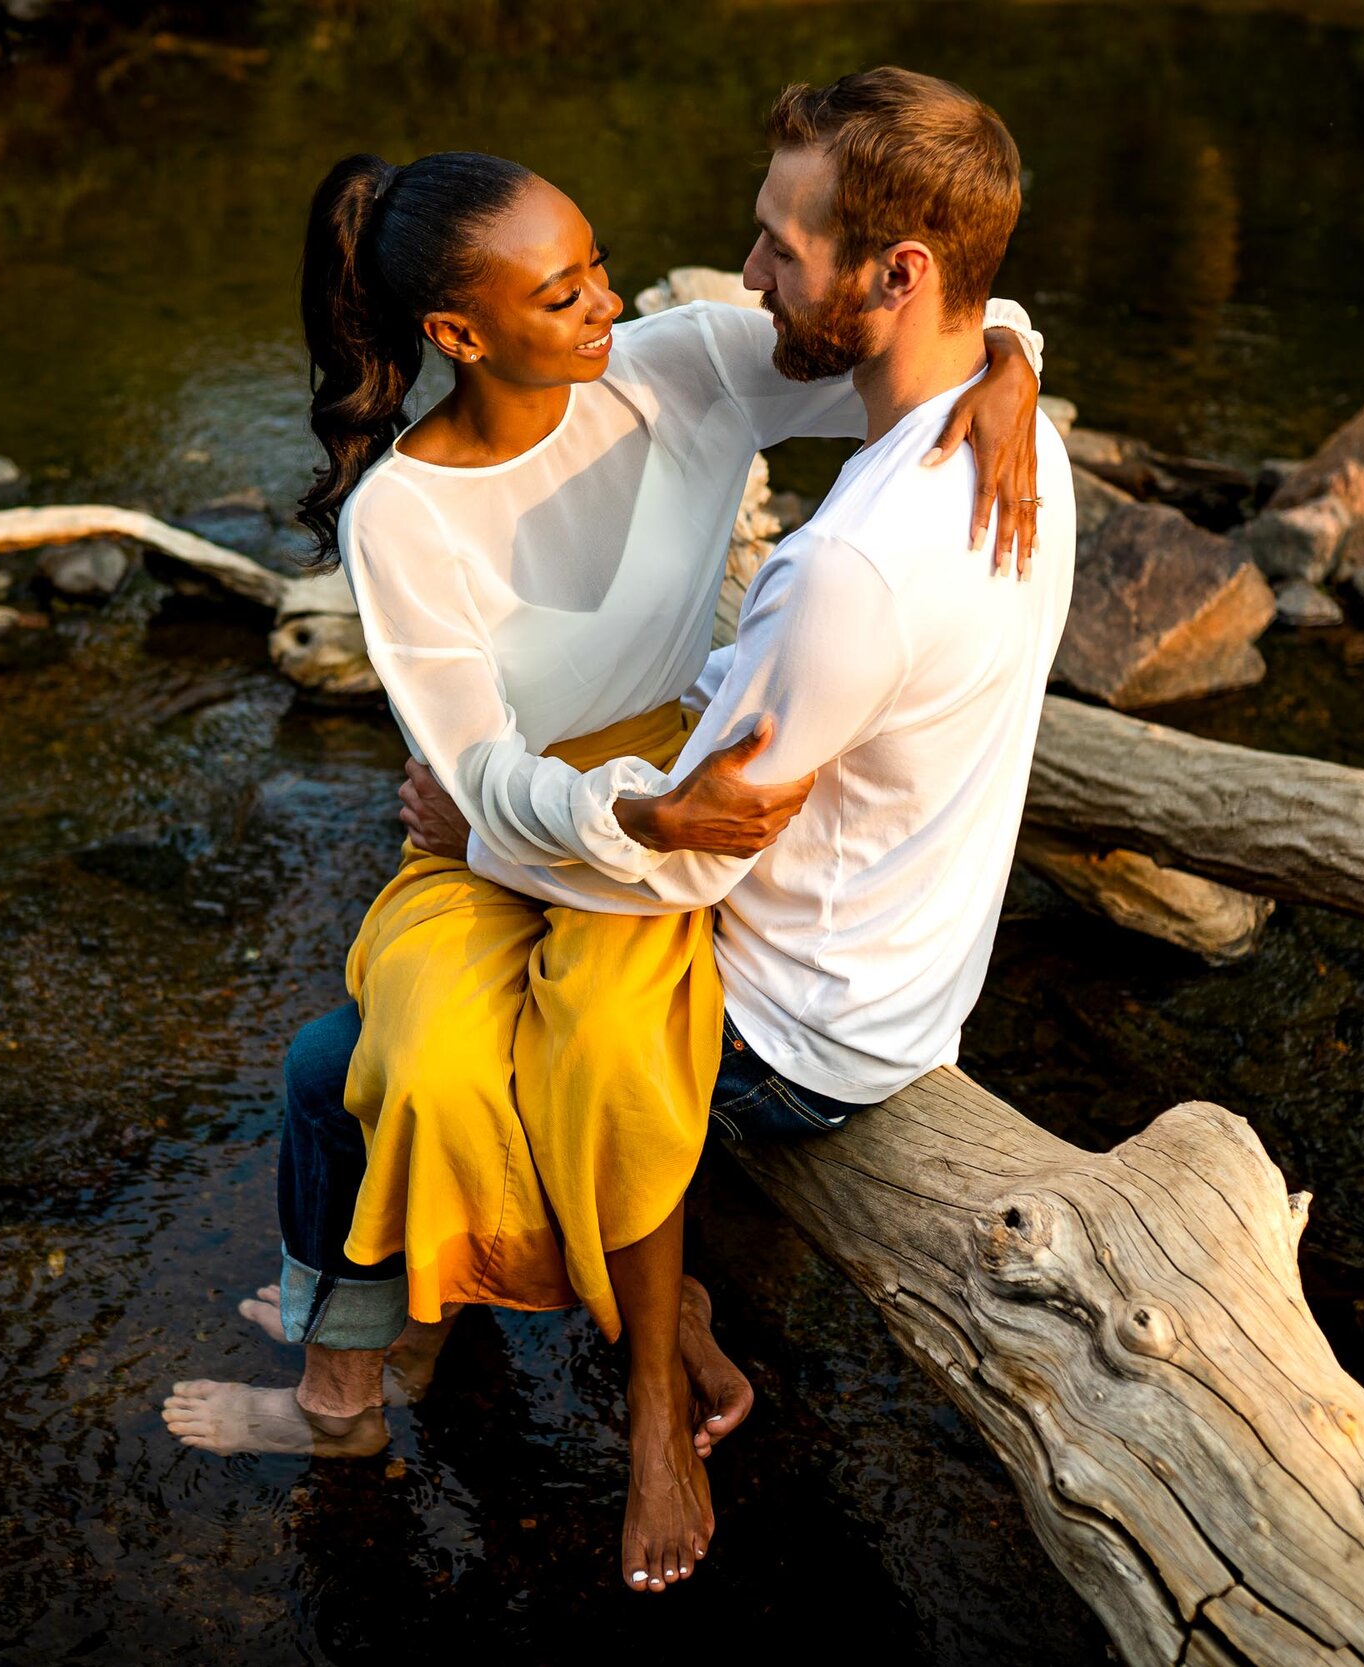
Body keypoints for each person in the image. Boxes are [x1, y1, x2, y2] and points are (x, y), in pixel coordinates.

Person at [163, 90, 1049, 1595]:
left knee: (593, 1062)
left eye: (597, 262)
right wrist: (622, 813)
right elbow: (471, 776)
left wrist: (1020, 367)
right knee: (388, 1064)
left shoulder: (684, 369)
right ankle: (347, 1387)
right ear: (460, 332)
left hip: (666, 802)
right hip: (534, 827)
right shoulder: (399, 521)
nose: (613, 299)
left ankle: (517, 1339)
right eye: (563, 288)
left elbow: (924, 323)